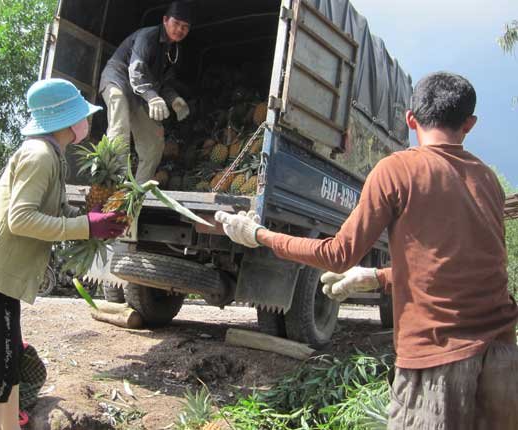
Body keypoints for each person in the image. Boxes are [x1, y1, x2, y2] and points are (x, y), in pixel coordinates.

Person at [215, 72, 518, 429]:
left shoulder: (398, 169)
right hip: (503, 364)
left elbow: (337, 254)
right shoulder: (487, 181)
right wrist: (376, 277)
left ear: (410, 119)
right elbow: (457, 268)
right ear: (469, 124)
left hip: (437, 365)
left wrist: (260, 235)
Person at [0, 78, 126, 430]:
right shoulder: (39, 155)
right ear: (66, 120)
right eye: (82, 115)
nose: (86, 122)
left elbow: (50, 213)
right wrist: (86, 227)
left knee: (10, 362)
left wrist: (92, 220)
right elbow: (21, 219)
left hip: (2, 272)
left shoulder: (51, 153)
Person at [98, 1, 193, 183]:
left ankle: (137, 193)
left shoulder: (173, 51)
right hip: (117, 80)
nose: (179, 30)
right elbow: (136, 71)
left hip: (140, 94)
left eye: (185, 27)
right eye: (176, 24)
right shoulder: (148, 36)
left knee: (154, 144)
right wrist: (152, 97)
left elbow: (164, 82)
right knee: (120, 121)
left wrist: (174, 99)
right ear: (165, 20)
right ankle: (113, 182)